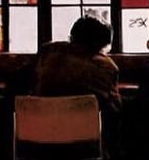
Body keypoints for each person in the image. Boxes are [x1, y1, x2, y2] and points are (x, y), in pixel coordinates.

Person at [31, 14, 123, 152]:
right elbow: (115, 108)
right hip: (86, 142)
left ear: (72, 38)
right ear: (102, 45)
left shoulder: (47, 53)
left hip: (39, 138)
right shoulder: (106, 67)